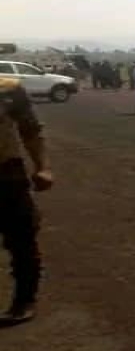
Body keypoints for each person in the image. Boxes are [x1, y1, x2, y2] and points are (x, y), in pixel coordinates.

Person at [0, 77, 53, 325]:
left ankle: (24, 301)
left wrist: (43, 167)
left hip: (6, 174)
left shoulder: (8, 88)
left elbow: (30, 129)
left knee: (22, 240)